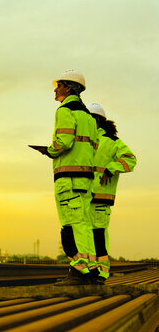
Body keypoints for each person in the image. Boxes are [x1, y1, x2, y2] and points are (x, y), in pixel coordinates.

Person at [37, 70, 99, 285]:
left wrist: (49, 151)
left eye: (58, 85)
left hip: (69, 179)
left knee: (71, 226)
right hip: (85, 179)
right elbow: (93, 147)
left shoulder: (65, 110)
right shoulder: (89, 118)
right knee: (84, 225)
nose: (55, 89)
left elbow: (63, 142)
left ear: (69, 88)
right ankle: (92, 271)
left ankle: (79, 271)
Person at [86, 103, 137, 284]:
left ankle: (101, 273)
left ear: (97, 119)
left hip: (100, 200)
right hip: (83, 198)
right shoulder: (84, 140)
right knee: (85, 238)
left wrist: (111, 168)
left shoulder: (111, 142)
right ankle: (88, 273)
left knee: (98, 237)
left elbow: (130, 159)